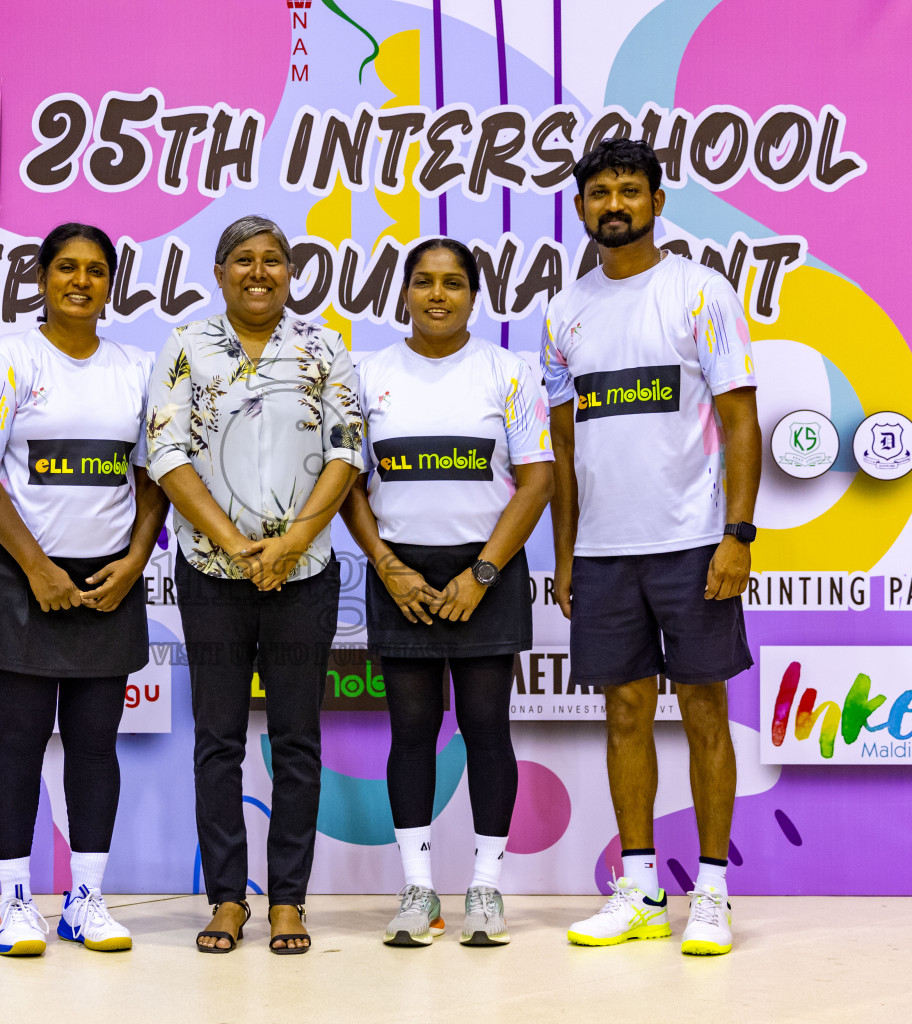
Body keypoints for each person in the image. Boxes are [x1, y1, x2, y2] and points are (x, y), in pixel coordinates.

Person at [542, 138, 759, 956]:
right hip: (602, 553)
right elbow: (563, 446)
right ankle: (638, 889)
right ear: (582, 208)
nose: (613, 205)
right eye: (599, 193)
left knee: (705, 711)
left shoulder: (701, 292)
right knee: (625, 712)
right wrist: (564, 557)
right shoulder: (565, 312)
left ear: (657, 201)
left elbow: (741, 422)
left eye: (628, 190)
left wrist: (738, 534)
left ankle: (712, 891)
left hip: (695, 542)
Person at [145, 215, 365, 954]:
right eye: (245, 260)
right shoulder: (185, 346)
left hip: (303, 575)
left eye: (274, 260)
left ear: (291, 273)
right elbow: (165, 450)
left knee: (298, 738)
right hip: (213, 573)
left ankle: (290, 901)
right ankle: (229, 899)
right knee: (218, 740)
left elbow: (348, 448)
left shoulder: (325, 345)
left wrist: (294, 539)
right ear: (221, 271)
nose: (260, 271)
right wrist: (239, 546)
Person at [0, 223, 167, 957]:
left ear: (114, 282)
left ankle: (87, 901)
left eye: (98, 270)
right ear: (42, 276)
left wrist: (135, 560)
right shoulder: (6, 359)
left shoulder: (138, 369)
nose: (82, 281)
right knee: (16, 742)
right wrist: (39, 569)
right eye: (67, 268)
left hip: (106, 580)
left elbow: (152, 478)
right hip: (20, 579)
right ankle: (15, 903)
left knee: (94, 746)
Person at [342, 238, 555, 948]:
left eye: (454, 283)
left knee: (487, 728)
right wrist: (386, 566)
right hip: (399, 575)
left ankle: (487, 888)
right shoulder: (364, 375)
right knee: (411, 732)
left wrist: (484, 574)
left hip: (485, 572)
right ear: (403, 291)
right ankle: (418, 890)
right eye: (426, 282)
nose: (439, 295)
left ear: (474, 294)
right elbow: (346, 484)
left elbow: (538, 482)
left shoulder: (508, 372)